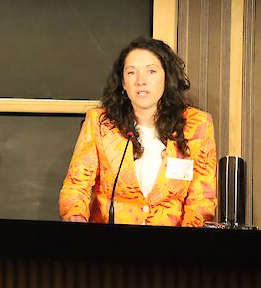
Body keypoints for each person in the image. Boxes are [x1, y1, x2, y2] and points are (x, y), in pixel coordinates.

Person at [59, 37, 217, 226]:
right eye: (132, 72)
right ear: (123, 83)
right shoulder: (100, 123)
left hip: (172, 248)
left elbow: (202, 200)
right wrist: (75, 216)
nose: (141, 81)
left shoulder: (197, 125)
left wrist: (184, 248)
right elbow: (77, 185)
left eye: (151, 71)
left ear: (167, 77)